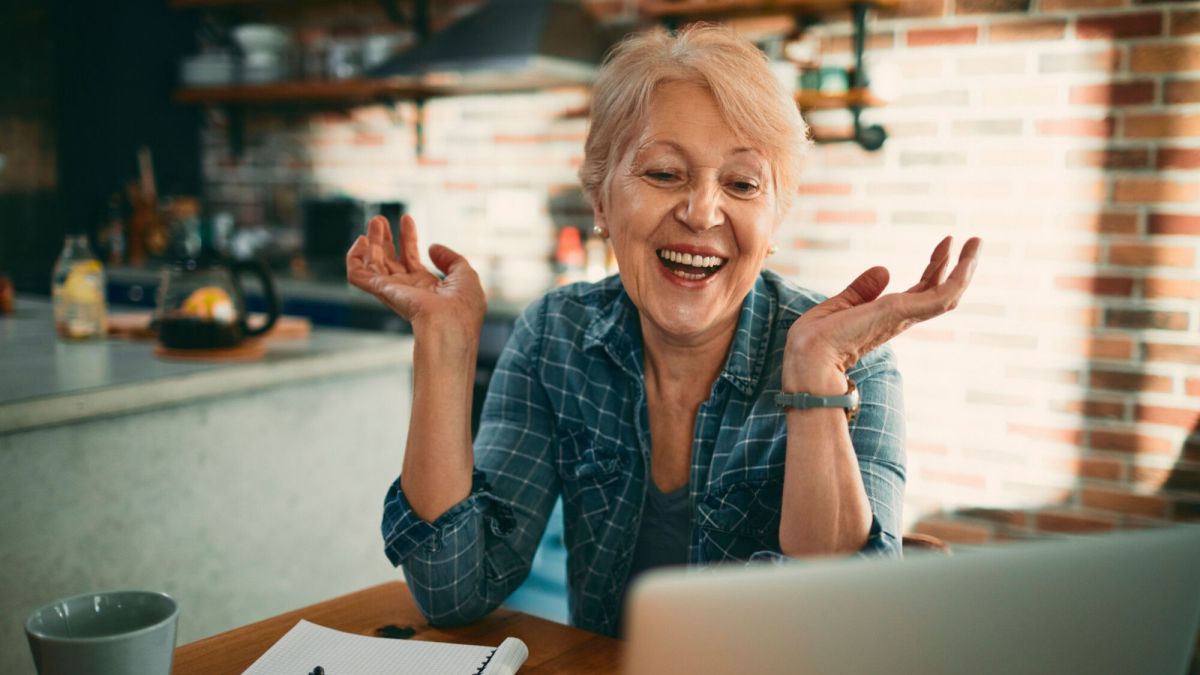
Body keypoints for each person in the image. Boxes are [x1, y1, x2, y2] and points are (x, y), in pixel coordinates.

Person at [346, 24, 981, 639]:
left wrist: (814, 378)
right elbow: (453, 592)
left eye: (741, 183)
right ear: (601, 201)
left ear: (776, 217)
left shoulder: (853, 362)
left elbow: (841, 634)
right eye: (663, 173)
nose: (703, 211)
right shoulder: (555, 336)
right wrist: (443, 342)